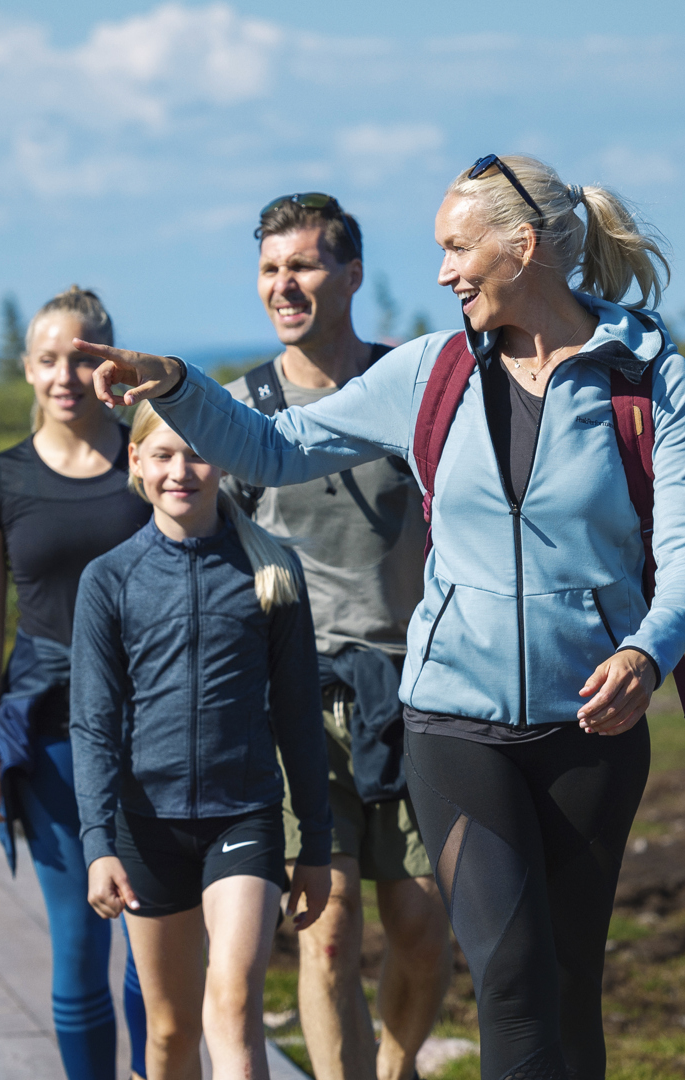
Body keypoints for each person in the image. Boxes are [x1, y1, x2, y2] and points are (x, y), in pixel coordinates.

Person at [81, 154, 685, 1080]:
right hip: (454, 722)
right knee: (507, 978)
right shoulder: (432, 371)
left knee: (571, 980)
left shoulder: (646, 373)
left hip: (593, 722)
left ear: (523, 247)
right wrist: (175, 383)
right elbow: (273, 444)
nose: (443, 271)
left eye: (458, 248)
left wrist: (645, 655)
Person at [228, 192, 452, 1080]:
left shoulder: (413, 395)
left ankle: (393, 1070)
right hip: (293, 699)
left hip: (412, 692)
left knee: (424, 931)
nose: (286, 285)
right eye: (271, 270)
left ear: (352, 274)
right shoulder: (244, 409)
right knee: (324, 941)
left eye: (305, 265)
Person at [73, 405, 335, 1080]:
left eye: (195, 455)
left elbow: (300, 715)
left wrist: (315, 841)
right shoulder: (108, 580)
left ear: (221, 460)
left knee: (235, 1002)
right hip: (146, 827)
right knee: (168, 1033)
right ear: (136, 463)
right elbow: (93, 723)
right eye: (161, 456)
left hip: (243, 816)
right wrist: (98, 843)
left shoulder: (272, 573)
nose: (180, 471)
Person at [0, 286, 150, 1080]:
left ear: (108, 360)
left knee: (153, 938)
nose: (65, 375)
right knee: (78, 939)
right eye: (48, 359)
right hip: (47, 728)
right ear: (27, 370)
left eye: (81, 357)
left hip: (153, 723)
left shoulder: (151, 454)